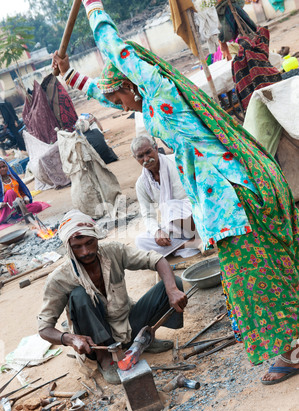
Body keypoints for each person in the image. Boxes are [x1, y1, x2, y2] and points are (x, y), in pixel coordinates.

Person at [52, 0, 299, 385]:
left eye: (120, 99)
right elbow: (108, 95)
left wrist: (93, 8)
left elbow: (118, 51)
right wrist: (70, 76)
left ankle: (291, 350)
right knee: (270, 265)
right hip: (230, 196)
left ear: (134, 83)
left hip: (233, 194)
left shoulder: (160, 89)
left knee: (256, 275)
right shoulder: (153, 105)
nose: (120, 108)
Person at [37, 209, 187, 385]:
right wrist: (71, 339)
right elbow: (44, 328)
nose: (85, 252)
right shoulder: (59, 278)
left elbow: (155, 259)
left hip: (128, 324)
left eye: (89, 243)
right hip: (97, 342)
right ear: (68, 247)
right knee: (78, 295)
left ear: (96, 238)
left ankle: (143, 339)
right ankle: (105, 359)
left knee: (173, 282)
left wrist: (171, 289)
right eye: (77, 247)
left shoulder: (113, 251)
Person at [132, 134, 202, 257]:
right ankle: (195, 244)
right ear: (135, 158)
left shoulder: (176, 161)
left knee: (170, 207)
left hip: (196, 219)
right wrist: (157, 231)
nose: (146, 159)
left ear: (156, 148)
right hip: (173, 228)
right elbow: (147, 214)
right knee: (141, 242)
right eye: (140, 156)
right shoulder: (141, 183)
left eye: (148, 152)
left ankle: (200, 237)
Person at [0, 158, 46, 225]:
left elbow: (21, 190)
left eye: (3, 166)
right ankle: (10, 216)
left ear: (7, 166)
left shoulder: (12, 177)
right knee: (10, 192)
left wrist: (25, 198)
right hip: (6, 209)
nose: (2, 169)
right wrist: (1, 204)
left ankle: (18, 214)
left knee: (38, 206)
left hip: (19, 205)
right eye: (0, 167)